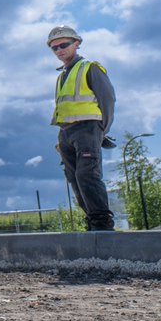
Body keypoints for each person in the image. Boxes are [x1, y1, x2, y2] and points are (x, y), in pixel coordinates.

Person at [48, 25, 116, 231]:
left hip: (88, 128)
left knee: (87, 175)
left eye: (64, 45)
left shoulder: (90, 67)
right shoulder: (62, 75)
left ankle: (102, 223)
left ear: (76, 43)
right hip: (66, 132)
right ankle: (92, 221)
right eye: (54, 48)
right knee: (74, 178)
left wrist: (101, 131)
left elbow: (108, 100)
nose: (59, 50)